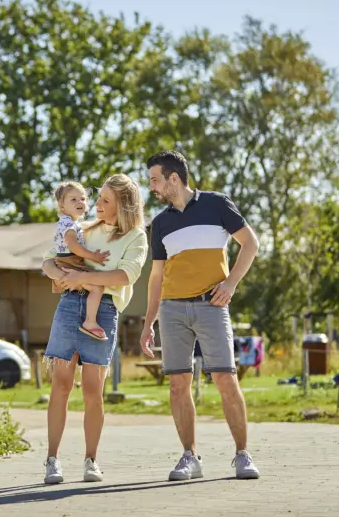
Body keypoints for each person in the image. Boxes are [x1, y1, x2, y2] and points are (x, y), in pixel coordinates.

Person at [140, 150, 262, 481]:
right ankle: (190, 457)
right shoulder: (161, 223)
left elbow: (250, 243)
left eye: (154, 180)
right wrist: (148, 321)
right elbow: (156, 277)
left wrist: (231, 283)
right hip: (172, 309)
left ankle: (242, 455)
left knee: (225, 378)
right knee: (179, 385)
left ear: (173, 178)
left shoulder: (217, 204)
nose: (151, 187)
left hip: (212, 306)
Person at [40, 174, 148, 485]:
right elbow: (49, 261)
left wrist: (82, 278)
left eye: (103, 200)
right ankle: (52, 460)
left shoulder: (136, 236)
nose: (95, 204)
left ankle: (91, 460)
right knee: (60, 385)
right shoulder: (84, 228)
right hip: (69, 305)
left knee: (92, 391)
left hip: (103, 311)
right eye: (97, 198)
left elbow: (125, 276)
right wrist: (62, 276)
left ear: (122, 206)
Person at [50, 181, 111, 341]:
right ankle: (90, 322)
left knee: (94, 286)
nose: (80, 202)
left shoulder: (71, 223)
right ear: (61, 206)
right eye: (73, 200)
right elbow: (74, 247)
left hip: (68, 262)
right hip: (70, 262)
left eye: (82, 199)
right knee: (97, 288)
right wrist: (93, 256)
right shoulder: (68, 224)